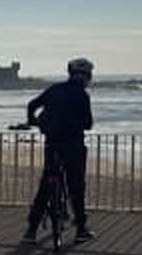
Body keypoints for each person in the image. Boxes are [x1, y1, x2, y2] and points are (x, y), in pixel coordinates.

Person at [22, 58, 96, 244]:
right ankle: (81, 230)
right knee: (76, 187)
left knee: (46, 186)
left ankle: (31, 231)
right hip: (73, 146)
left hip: (53, 144)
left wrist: (33, 121)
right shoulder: (82, 95)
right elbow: (88, 123)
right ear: (87, 76)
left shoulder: (55, 89)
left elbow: (32, 105)